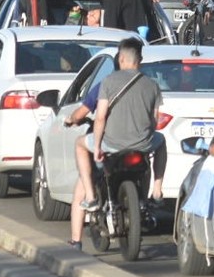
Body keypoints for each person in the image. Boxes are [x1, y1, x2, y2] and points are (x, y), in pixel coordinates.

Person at [69, 37, 167, 249]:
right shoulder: (152, 85)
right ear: (139, 60)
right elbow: (154, 120)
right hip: (142, 145)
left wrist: (96, 148)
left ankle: (92, 198)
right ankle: (157, 190)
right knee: (162, 141)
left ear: (121, 59)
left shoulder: (108, 82)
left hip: (111, 145)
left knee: (79, 144)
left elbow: (101, 116)